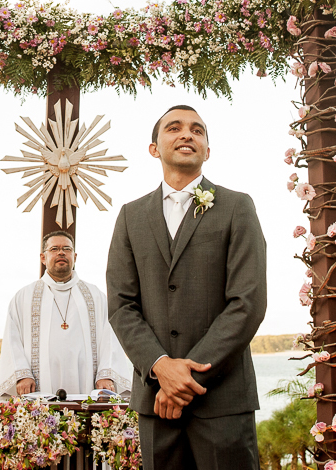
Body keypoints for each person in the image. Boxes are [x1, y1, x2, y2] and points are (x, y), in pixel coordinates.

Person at [106, 105, 267, 470]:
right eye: (174, 128)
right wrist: (161, 367)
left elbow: (248, 302)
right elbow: (121, 305)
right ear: (154, 147)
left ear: (207, 150)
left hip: (222, 402)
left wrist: (184, 380)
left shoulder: (237, 207)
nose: (186, 134)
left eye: (197, 130)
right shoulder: (131, 216)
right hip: (155, 402)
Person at [0, 230, 131, 398]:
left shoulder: (95, 295)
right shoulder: (24, 297)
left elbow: (110, 337)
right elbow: (12, 339)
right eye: (54, 249)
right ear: (43, 257)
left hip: (87, 385)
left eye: (66, 249)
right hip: (38, 389)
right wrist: (22, 375)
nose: (61, 252)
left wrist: (106, 374)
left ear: (74, 257)